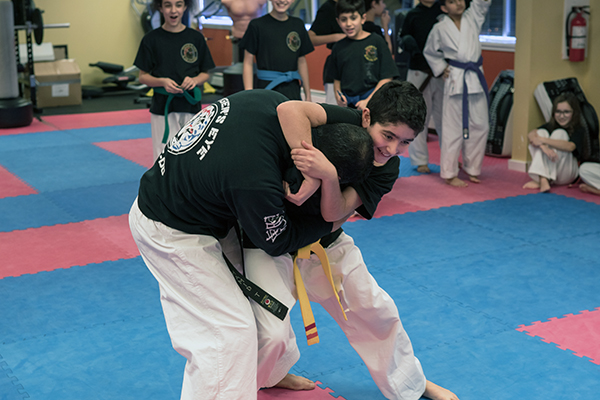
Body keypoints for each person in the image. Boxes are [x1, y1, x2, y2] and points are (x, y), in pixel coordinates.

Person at [129, 89, 377, 400]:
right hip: (172, 229)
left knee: (270, 323)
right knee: (228, 332)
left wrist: (323, 178)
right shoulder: (258, 182)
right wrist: (333, 218)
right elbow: (279, 242)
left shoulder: (279, 105)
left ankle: (271, 374)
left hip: (209, 207)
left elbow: (356, 118)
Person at [246, 81, 460, 400]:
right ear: (367, 118)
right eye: (388, 135)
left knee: (376, 309)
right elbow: (289, 109)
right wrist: (308, 170)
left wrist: (328, 175)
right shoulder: (343, 119)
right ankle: (271, 376)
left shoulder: (387, 168)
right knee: (268, 329)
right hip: (269, 240)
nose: (392, 149)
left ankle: (410, 383)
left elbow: (335, 214)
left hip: (324, 241)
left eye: (404, 142)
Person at [134, 0, 216, 161]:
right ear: (160, 7)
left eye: (178, 5)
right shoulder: (151, 39)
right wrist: (163, 82)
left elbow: (206, 74)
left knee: (192, 154)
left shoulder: (196, 38)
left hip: (191, 105)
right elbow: (142, 76)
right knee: (163, 155)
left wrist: (195, 80)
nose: (173, 10)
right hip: (163, 106)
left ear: (185, 7)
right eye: (168, 5)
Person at [423, 0, 491, 187]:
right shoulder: (440, 27)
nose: (458, 3)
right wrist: (441, 67)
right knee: (452, 128)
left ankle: (472, 168)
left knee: (481, 125)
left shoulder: (473, 17)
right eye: (452, 1)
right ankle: (449, 173)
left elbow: (482, 3)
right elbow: (429, 51)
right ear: (444, 8)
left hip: (475, 77)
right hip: (456, 78)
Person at [400, 0, 444, 174]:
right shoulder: (412, 15)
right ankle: (420, 161)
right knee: (419, 117)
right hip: (419, 70)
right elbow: (403, 38)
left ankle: (449, 158)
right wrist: (407, 43)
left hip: (443, 72)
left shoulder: (443, 11)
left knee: (446, 118)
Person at [332, 0, 398, 111]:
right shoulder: (338, 47)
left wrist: (368, 100)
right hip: (349, 105)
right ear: (338, 21)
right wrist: (339, 96)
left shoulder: (377, 41)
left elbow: (387, 77)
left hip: (374, 102)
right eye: (344, 19)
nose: (348, 24)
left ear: (363, 18)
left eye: (353, 18)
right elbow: (336, 78)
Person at [241, 0, 314, 101]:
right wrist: (249, 94)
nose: (282, 0)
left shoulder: (298, 25)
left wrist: (308, 95)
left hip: (292, 89)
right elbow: (248, 63)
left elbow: (301, 61)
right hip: (266, 88)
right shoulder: (257, 25)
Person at [522, 93, 584, 193]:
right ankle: (543, 178)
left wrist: (543, 141)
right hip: (552, 171)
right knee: (541, 132)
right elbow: (531, 134)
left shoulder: (579, 129)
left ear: (574, 113)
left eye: (566, 112)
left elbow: (570, 147)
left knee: (559, 133)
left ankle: (543, 178)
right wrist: (543, 147)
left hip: (567, 173)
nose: (562, 116)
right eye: (558, 112)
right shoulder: (551, 125)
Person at [309, 0, 347, 104]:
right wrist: (336, 37)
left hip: (358, 71)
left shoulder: (356, 4)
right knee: (336, 109)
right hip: (336, 68)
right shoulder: (329, 8)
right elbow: (310, 38)